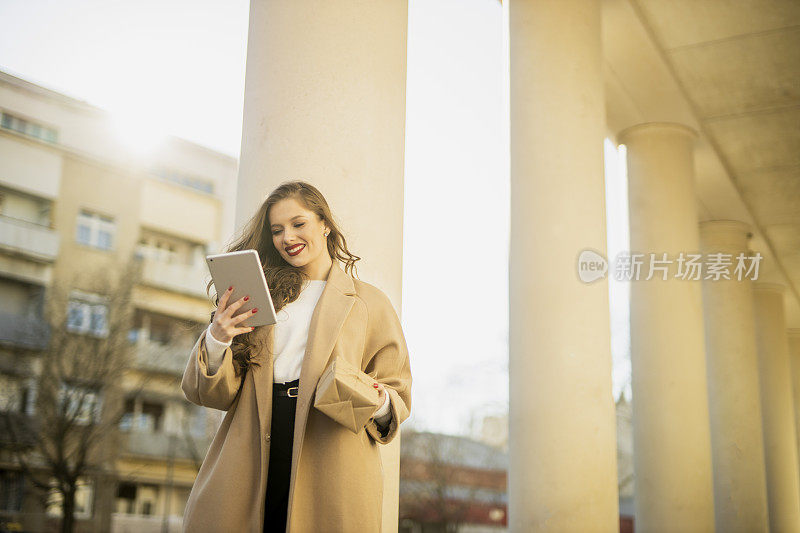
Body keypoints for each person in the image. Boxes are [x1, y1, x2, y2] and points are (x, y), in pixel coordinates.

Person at [180, 180, 413, 533]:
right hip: (255, 437)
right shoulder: (259, 296)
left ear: (325, 224)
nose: (287, 237)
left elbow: (396, 394)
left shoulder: (370, 303)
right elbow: (213, 394)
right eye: (277, 230)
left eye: (298, 224)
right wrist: (218, 338)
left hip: (331, 444)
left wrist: (375, 398)